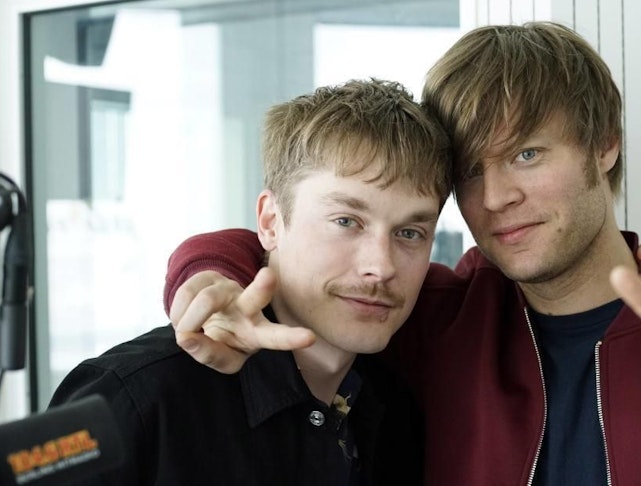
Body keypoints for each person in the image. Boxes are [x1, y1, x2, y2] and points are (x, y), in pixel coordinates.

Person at [164, 22, 641, 485]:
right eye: (471, 170)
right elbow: (301, 247)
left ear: (604, 146)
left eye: (529, 155)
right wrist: (209, 271)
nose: (496, 195)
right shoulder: (435, 317)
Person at [48, 79, 455, 485]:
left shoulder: (401, 412)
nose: (380, 267)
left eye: (409, 233)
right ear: (270, 221)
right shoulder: (133, 397)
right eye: (346, 221)